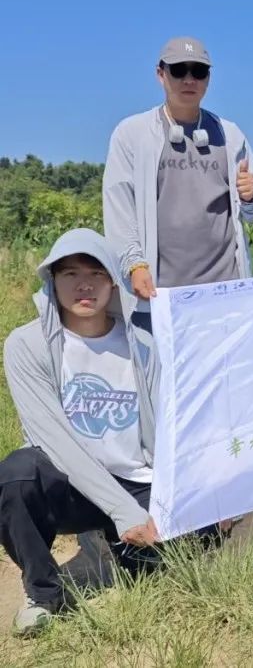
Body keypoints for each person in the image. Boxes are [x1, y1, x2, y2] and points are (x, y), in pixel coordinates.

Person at [0, 229, 222, 636]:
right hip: (69, 485)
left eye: (96, 273)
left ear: (113, 282)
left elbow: (167, 427)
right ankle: (44, 592)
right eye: (70, 273)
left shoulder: (142, 343)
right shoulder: (26, 345)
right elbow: (52, 438)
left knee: (186, 561)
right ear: (51, 279)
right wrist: (123, 512)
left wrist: (192, 494)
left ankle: (116, 544)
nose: (84, 284)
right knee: (17, 475)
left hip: (135, 479)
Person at [102, 36, 253, 322]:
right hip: (158, 292)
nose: (189, 79)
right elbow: (119, 205)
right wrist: (134, 264)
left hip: (225, 290)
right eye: (179, 70)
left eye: (198, 71)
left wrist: (251, 195)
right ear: (160, 74)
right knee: (161, 368)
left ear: (208, 78)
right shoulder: (132, 134)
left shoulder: (230, 133)